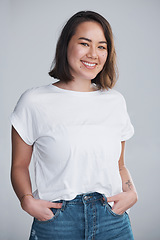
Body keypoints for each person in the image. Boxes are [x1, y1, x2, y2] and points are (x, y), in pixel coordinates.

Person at [10, 10, 138, 240]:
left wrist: (131, 192)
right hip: (58, 222)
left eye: (101, 46)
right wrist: (26, 200)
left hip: (112, 220)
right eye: (84, 43)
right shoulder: (34, 101)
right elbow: (19, 165)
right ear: (65, 45)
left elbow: (119, 165)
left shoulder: (115, 101)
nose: (93, 54)